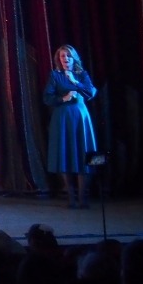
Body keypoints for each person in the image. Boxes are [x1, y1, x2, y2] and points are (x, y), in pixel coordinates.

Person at [44, 44, 98, 208]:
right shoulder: (55, 75)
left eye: (68, 55)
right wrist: (63, 99)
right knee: (65, 155)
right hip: (62, 118)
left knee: (84, 155)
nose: (65, 58)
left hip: (81, 117)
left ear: (74, 58)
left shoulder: (82, 74)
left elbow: (91, 92)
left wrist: (75, 82)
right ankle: (71, 198)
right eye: (62, 56)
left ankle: (83, 198)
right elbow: (47, 98)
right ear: (59, 59)